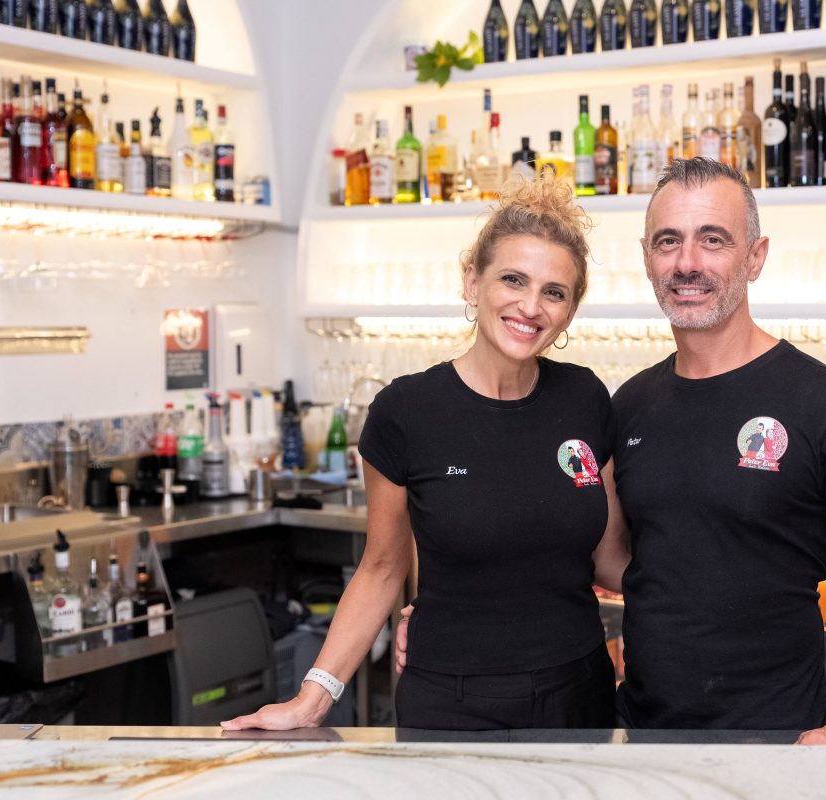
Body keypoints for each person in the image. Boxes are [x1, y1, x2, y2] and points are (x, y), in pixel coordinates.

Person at [222, 176, 624, 732]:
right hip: (451, 699)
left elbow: (612, 557)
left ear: (570, 310)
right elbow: (382, 568)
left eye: (554, 292)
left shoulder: (585, 398)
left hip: (577, 692)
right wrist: (312, 698)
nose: (531, 306)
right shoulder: (406, 411)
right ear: (471, 282)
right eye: (513, 279)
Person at [607, 158, 826, 741]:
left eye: (713, 240)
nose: (687, 263)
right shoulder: (630, 404)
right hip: (642, 734)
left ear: (755, 257)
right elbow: (617, 557)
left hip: (784, 739)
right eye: (668, 241)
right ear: (647, 258)